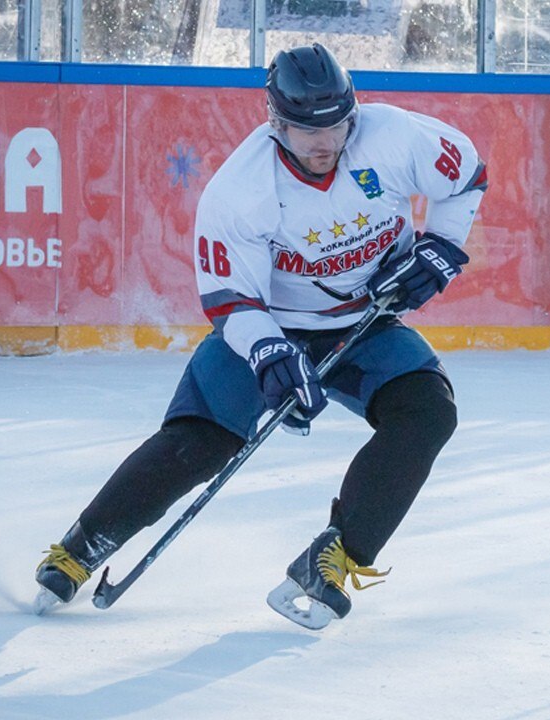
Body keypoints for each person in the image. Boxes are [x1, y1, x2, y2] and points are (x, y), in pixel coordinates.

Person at [35, 42, 487, 629]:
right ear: (276, 122)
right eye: (307, 129)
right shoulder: (240, 189)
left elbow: (467, 173)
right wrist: (271, 354)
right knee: (205, 440)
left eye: (339, 124)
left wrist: (443, 244)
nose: (326, 142)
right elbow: (231, 298)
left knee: (429, 413)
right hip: (266, 325)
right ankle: (82, 546)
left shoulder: (393, 136)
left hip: (364, 322)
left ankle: (335, 557)